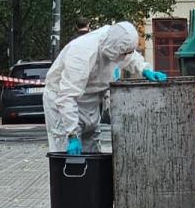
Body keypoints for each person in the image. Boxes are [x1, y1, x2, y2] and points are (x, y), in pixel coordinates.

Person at [43, 21, 167, 155]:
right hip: (61, 103)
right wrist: (72, 135)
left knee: (91, 149)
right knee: (65, 151)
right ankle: (65, 173)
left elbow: (130, 56)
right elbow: (67, 96)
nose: (124, 57)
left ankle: (89, 175)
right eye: (122, 54)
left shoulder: (116, 40)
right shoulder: (81, 52)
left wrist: (144, 69)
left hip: (90, 101)